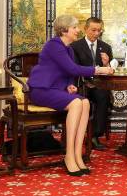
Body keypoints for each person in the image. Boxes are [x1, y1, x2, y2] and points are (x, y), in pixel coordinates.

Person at [28, 15, 113, 176]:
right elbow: (73, 68)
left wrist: (69, 84)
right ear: (64, 30)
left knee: (85, 103)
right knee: (76, 103)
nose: (77, 30)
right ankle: (68, 156)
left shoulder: (68, 48)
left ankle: (76, 154)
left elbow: (67, 72)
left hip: (56, 90)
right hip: (41, 90)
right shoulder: (54, 45)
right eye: (74, 27)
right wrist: (98, 69)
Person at [70, 17, 114, 151]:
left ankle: (95, 135)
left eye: (99, 31)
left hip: (99, 85)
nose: (96, 33)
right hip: (80, 84)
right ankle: (76, 134)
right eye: (93, 30)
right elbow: (73, 69)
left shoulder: (106, 47)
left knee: (103, 96)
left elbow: (111, 71)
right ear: (85, 29)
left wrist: (107, 63)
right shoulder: (74, 46)